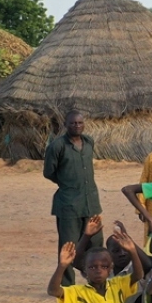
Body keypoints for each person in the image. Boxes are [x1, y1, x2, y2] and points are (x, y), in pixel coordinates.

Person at [44, 111, 103, 285]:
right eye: (72, 123)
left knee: (96, 244)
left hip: (91, 203)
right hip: (68, 204)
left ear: (84, 124)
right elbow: (48, 172)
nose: (76, 126)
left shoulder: (89, 142)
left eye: (79, 123)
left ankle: (97, 282)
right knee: (68, 245)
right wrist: (66, 183)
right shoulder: (57, 146)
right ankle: (67, 285)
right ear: (66, 125)